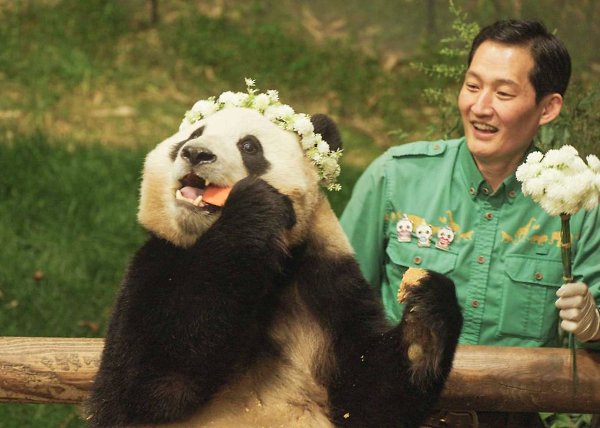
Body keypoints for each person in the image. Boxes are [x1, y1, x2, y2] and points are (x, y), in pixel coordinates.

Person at [340, 19, 600, 426]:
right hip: (401, 413)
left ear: (547, 108)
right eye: (473, 86)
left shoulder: (576, 202)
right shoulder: (396, 177)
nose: (480, 107)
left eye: (503, 93)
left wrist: (594, 326)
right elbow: (335, 303)